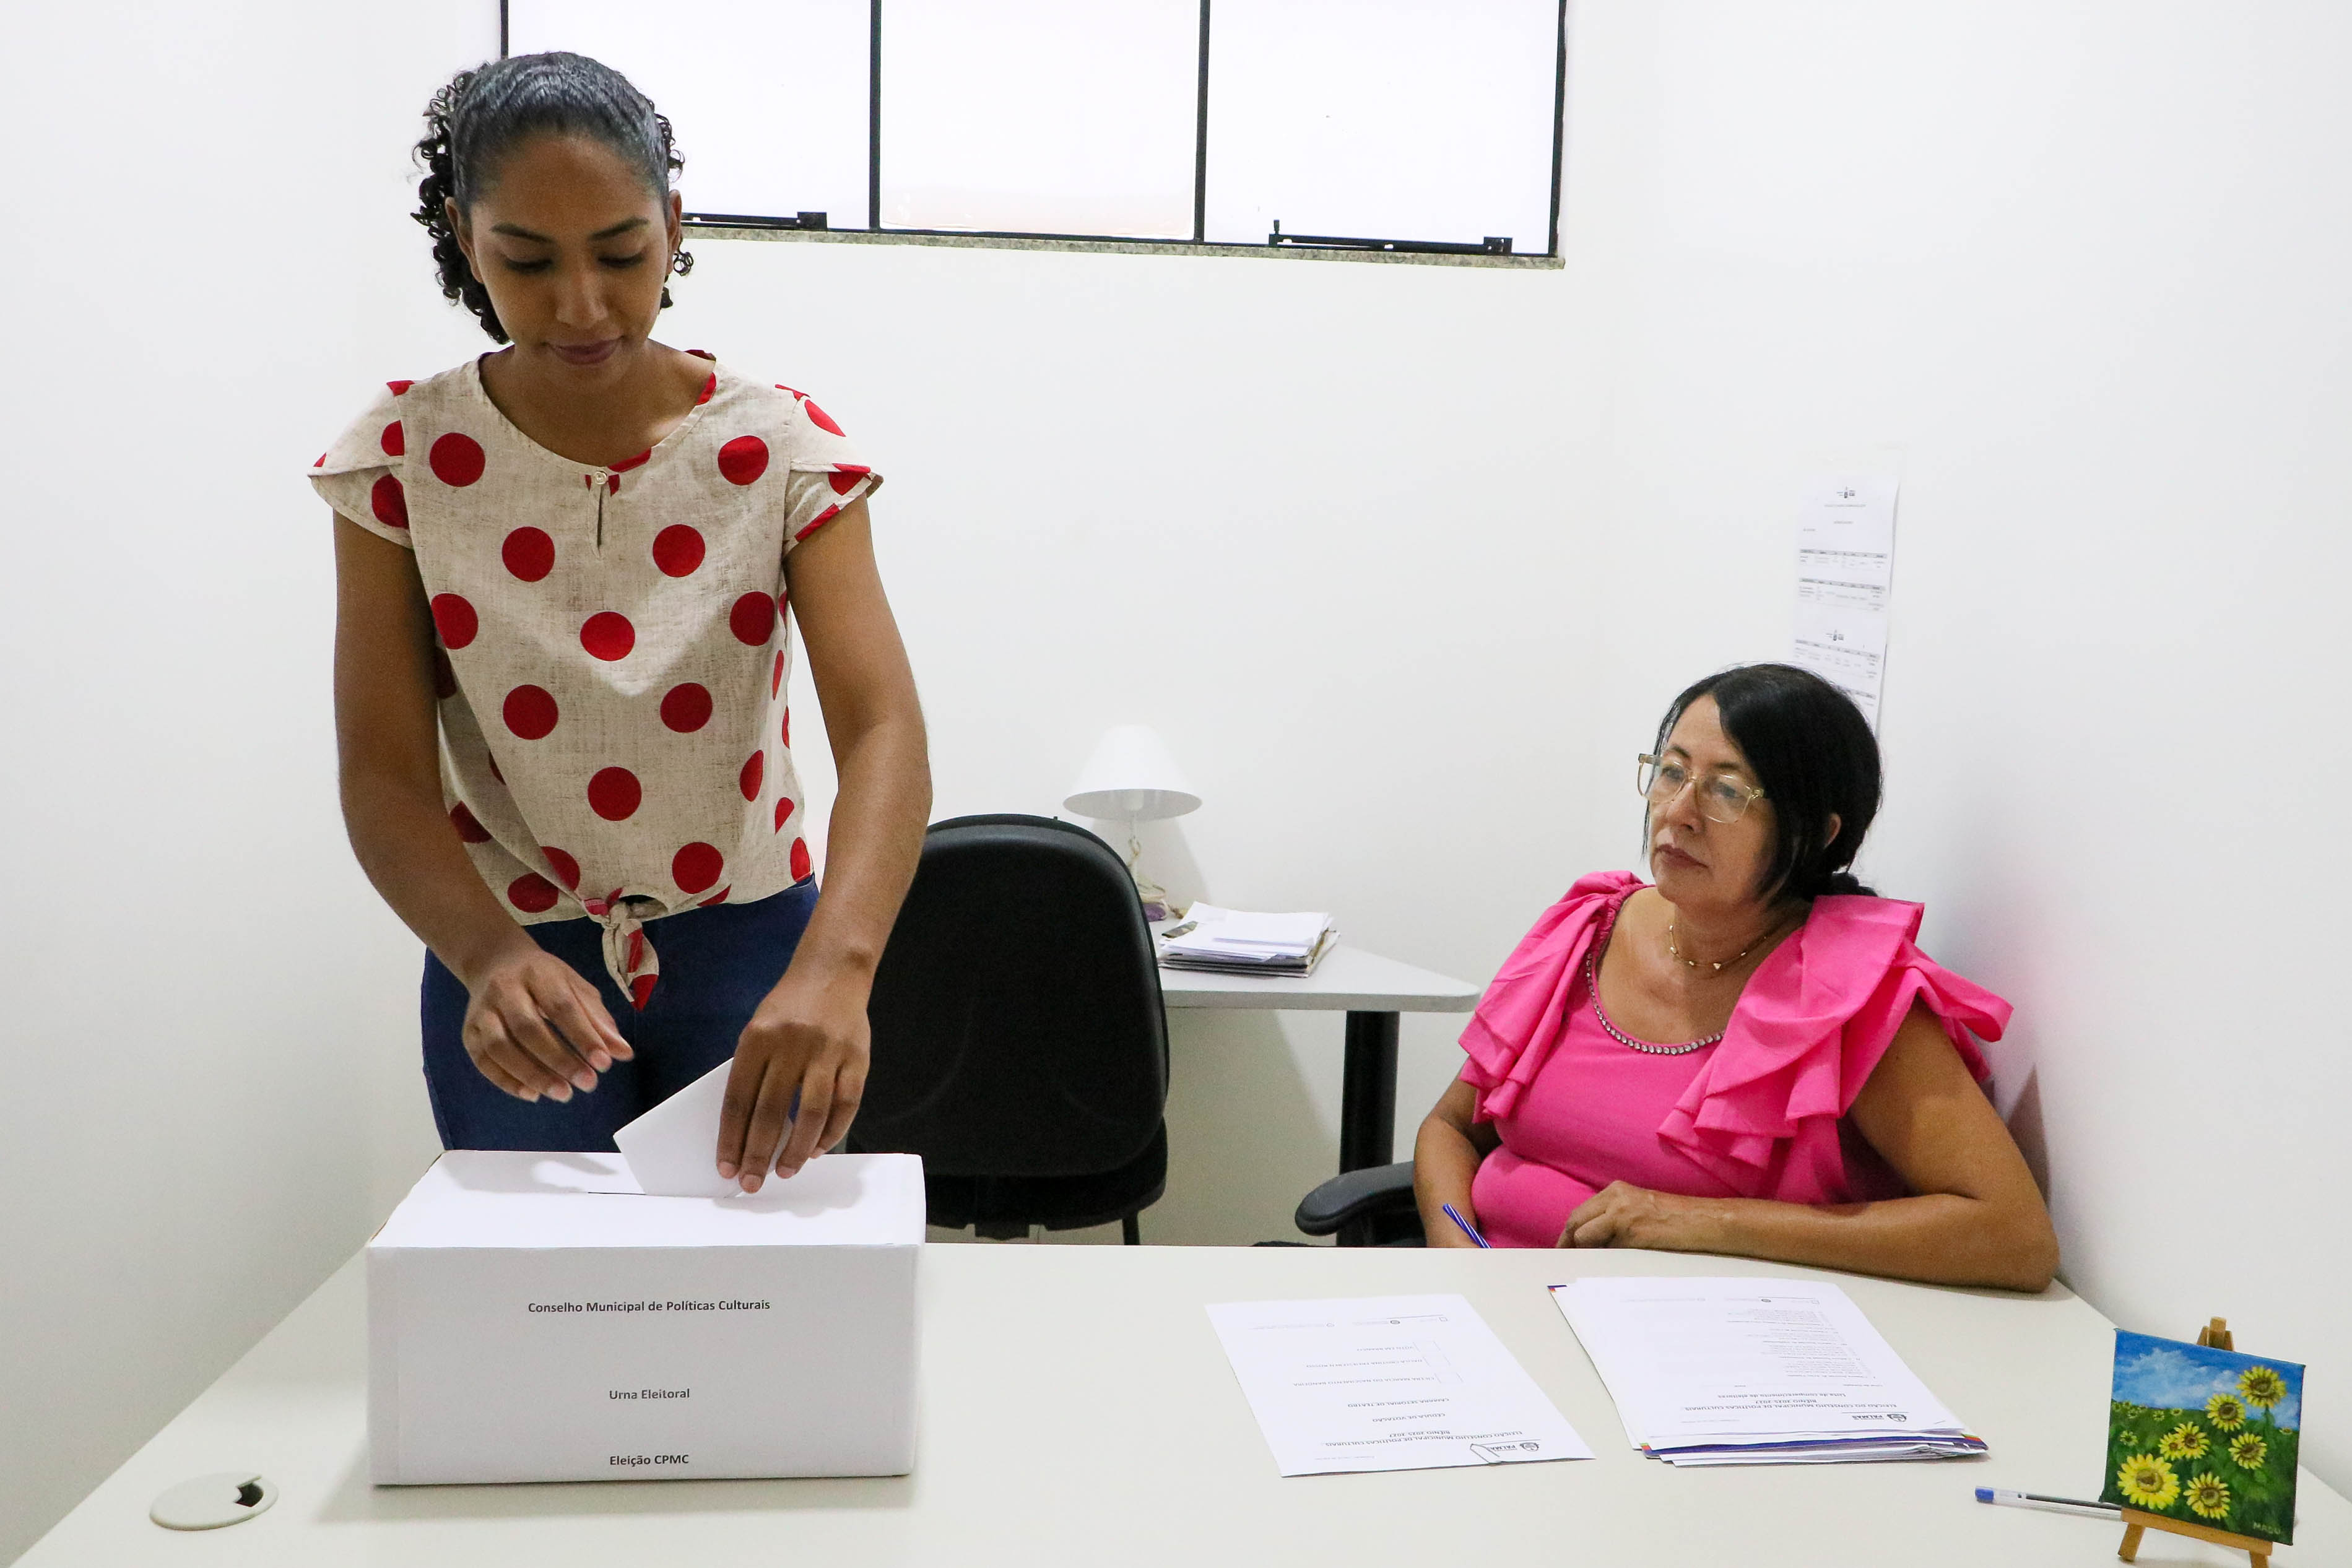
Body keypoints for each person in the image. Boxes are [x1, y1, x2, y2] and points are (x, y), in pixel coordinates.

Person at [315, 53, 930, 1193]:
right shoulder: (399, 456)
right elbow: (384, 771)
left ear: (673, 223)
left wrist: (839, 967)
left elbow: (883, 724)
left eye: (620, 251)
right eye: (526, 260)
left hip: (756, 941)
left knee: (755, 1307)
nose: (582, 303)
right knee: (545, 1313)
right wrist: (483, 951)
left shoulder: (782, 447)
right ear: (462, 233)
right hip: (508, 956)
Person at [1413, 664, 2057, 1290]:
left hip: (1699, 1352)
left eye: (1726, 791)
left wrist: (1700, 1220)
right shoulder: (1587, 929)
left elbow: (2013, 1236)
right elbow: (1448, 1128)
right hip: (1494, 1312)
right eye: (1671, 772)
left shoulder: (1847, 995)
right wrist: (1459, 1264)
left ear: (1815, 834)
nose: (1679, 812)